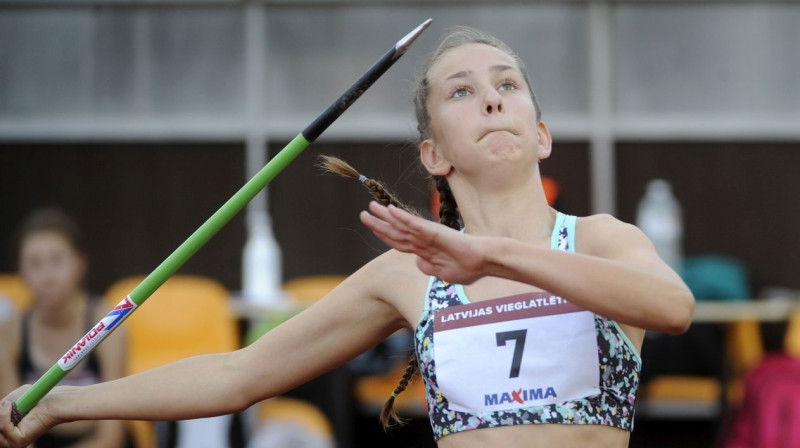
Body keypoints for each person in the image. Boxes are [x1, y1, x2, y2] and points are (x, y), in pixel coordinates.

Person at [0, 27, 695, 448]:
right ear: (433, 155)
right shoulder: (408, 276)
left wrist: (490, 256)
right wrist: (63, 402)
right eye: (460, 91)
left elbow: (674, 308)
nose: (489, 97)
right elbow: (238, 374)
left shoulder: (602, 240)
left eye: (507, 85)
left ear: (540, 134)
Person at [0, 208, 127, 448]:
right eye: (34, 263)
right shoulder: (9, 332)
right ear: (21, 271)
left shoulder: (109, 321)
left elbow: (112, 436)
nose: (47, 276)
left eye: (57, 260)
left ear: (79, 263)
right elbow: (11, 426)